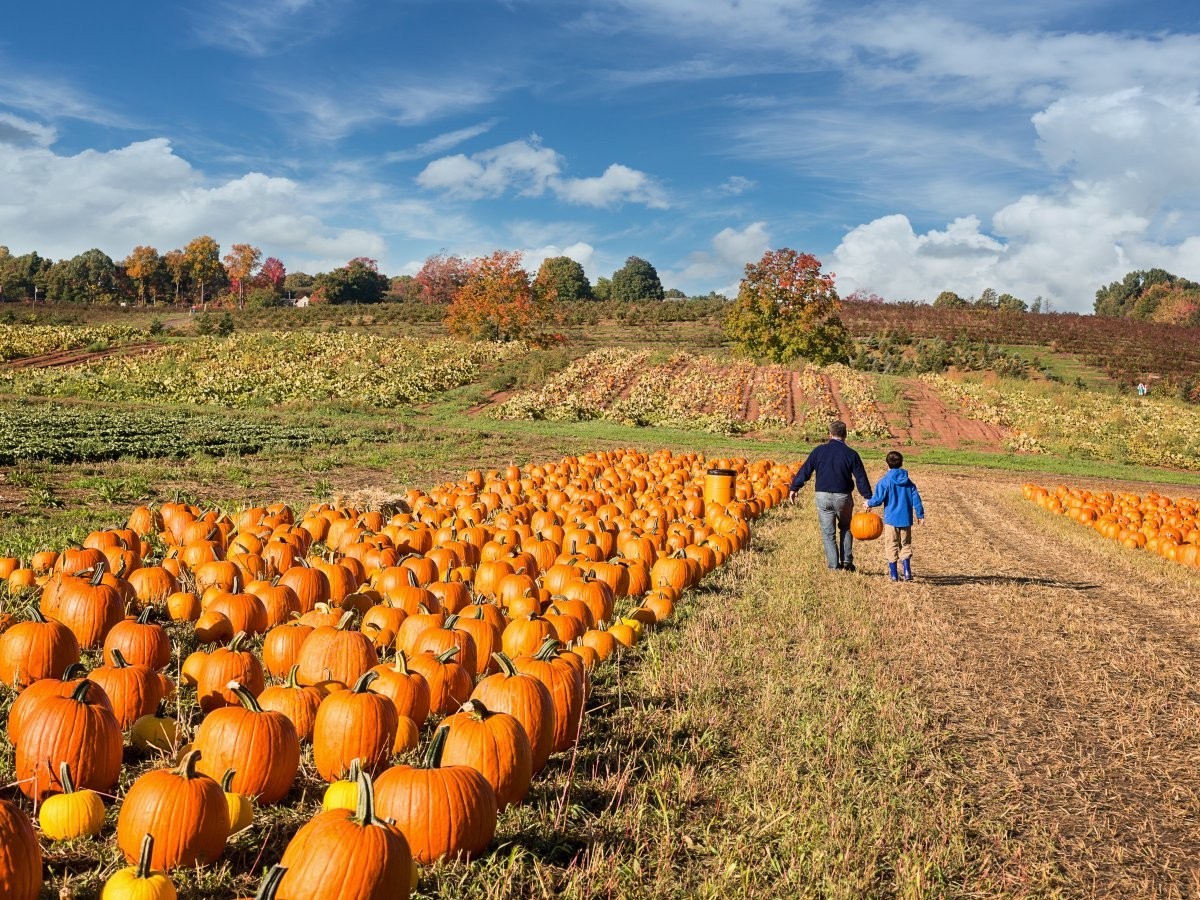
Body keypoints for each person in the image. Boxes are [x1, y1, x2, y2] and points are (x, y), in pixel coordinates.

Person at [788, 420, 872, 571]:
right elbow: (860, 477)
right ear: (845, 435)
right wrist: (867, 497)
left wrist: (795, 487)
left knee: (828, 533)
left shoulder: (819, 451)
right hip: (843, 496)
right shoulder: (851, 454)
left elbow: (805, 470)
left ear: (830, 434)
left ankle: (834, 566)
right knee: (846, 527)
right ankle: (846, 561)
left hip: (822, 496)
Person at [863, 450, 926, 582]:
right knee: (906, 544)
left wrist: (868, 503)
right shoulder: (908, 482)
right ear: (901, 463)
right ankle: (907, 572)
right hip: (906, 519)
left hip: (891, 520)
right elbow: (916, 499)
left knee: (891, 544)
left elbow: (878, 499)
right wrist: (920, 514)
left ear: (887, 464)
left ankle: (893, 574)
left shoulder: (885, 481)